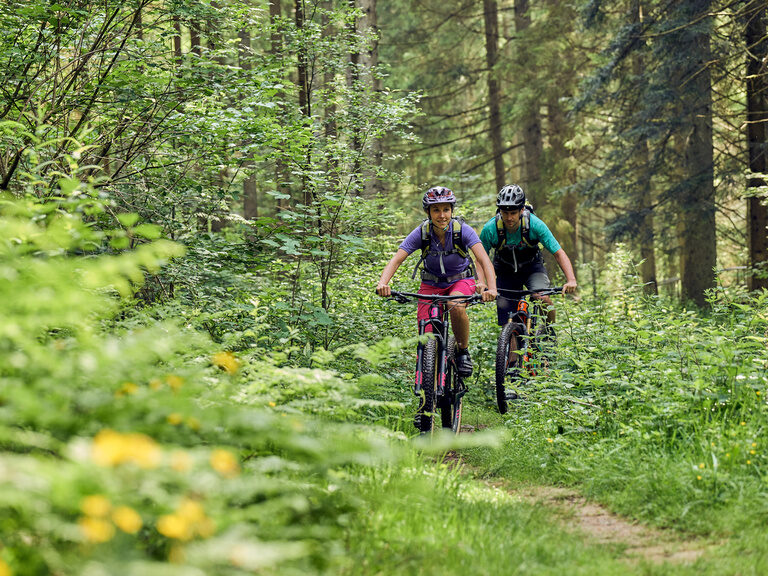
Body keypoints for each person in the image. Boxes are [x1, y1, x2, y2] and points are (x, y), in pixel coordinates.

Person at [376, 186, 498, 377]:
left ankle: (463, 352)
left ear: (452, 211)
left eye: (446, 210)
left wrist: (492, 288)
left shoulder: (463, 230)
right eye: (436, 210)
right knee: (425, 335)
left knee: (455, 305)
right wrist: (383, 283)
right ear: (428, 212)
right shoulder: (422, 233)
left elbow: (483, 260)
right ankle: (425, 390)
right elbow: (397, 259)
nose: (442, 215)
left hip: (461, 280)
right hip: (431, 284)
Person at [479, 184, 577, 334]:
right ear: (499, 211)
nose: (509, 218)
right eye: (505, 213)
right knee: (508, 322)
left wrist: (571, 280)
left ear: (522, 210)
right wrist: (481, 283)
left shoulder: (535, 225)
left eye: (513, 212)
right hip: (505, 271)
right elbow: (480, 259)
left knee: (542, 298)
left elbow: (558, 253)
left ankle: (550, 333)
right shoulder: (490, 229)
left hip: (532, 268)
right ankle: (511, 355)